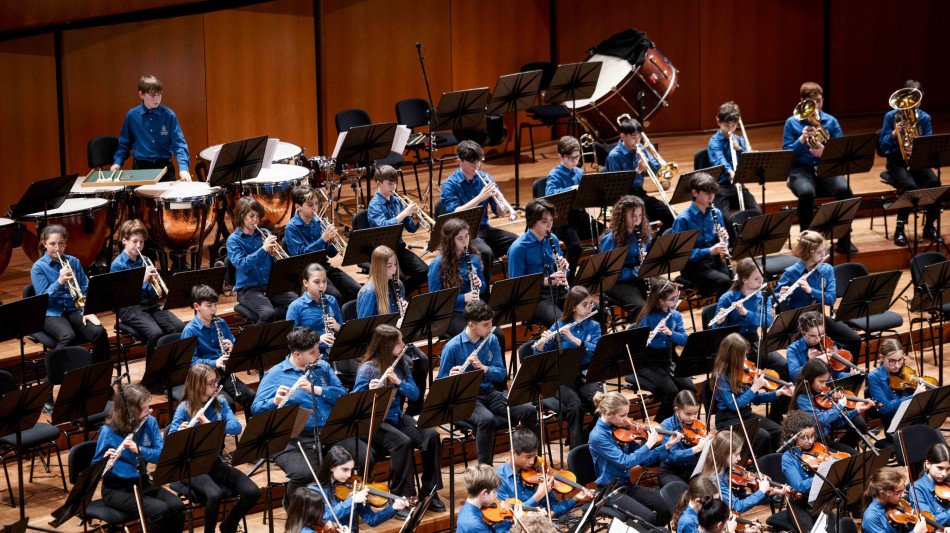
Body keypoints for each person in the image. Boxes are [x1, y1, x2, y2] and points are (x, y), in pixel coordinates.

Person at [250, 327, 373, 500]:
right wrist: (275, 401)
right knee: (306, 473)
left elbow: (341, 395)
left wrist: (318, 390)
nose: (318, 354)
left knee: (364, 457)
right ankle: (293, 507)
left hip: (330, 430)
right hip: (298, 436)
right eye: (313, 352)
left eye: (318, 349)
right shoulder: (275, 375)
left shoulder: (322, 366)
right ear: (297, 354)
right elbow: (256, 409)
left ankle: (346, 501)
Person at [352, 325, 445, 513]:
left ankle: (429, 490)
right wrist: (370, 392)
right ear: (385, 346)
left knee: (431, 435)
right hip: (375, 422)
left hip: (397, 417)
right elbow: (355, 403)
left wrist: (398, 382)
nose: (403, 345)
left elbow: (415, 394)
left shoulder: (400, 363)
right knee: (402, 443)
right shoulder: (367, 370)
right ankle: (400, 498)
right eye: (398, 342)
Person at [436, 301, 538, 465]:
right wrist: (450, 377)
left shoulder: (491, 340)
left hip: (487, 393)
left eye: (491, 323)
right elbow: (439, 385)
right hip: (465, 399)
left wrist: (484, 369)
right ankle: (486, 472)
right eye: (485, 324)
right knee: (486, 420)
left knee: (528, 410)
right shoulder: (452, 347)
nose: (491, 327)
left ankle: (527, 459)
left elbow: (501, 374)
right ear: (471, 324)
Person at [168, 364, 259, 533]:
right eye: (211, 383)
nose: (216, 385)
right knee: (214, 495)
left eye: (216, 380)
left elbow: (236, 427)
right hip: (191, 466)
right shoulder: (184, 408)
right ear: (198, 386)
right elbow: (171, 439)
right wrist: (181, 433)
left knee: (252, 492)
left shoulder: (221, 403)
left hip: (214, 462)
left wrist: (210, 426)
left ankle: (229, 524)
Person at [93, 383, 185, 533]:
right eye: (143, 409)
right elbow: (95, 468)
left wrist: (140, 450)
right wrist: (105, 463)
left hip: (142, 483)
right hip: (116, 489)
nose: (148, 411)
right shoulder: (108, 431)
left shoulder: (149, 422)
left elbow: (162, 456)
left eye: (148, 406)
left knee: (177, 506)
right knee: (160, 511)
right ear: (129, 411)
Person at [711, 257, 789, 420]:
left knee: (783, 365)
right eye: (756, 278)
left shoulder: (763, 296)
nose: (761, 281)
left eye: (762, 276)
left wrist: (745, 313)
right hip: (733, 347)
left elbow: (767, 322)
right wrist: (719, 322)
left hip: (752, 343)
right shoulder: (728, 298)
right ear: (744, 280)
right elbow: (715, 332)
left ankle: (775, 414)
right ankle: (741, 406)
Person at [783, 81, 855, 254]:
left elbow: (840, 151)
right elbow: (787, 155)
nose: (816, 106)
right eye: (812, 102)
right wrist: (801, 140)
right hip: (801, 170)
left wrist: (825, 153)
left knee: (845, 190)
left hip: (826, 167)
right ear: (802, 101)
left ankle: (844, 239)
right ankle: (808, 242)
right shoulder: (792, 123)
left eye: (819, 101)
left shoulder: (831, 121)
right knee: (807, 192)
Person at [588, 390, 680, 525]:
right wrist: (648, 444)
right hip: (609, 491)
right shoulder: (598, 436)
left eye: (627, 415)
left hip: (626, 485)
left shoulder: (622, 430)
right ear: (609, 414)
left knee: (666, 508)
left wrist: (666, 446)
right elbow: (625, 462)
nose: (627, 420)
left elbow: (644, 460)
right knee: (647, 517)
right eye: (622, 416)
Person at [532, 286, 602, 447]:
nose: (590, 308)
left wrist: (574, 339)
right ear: (573, 307)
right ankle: (576, 447)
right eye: (585, 305)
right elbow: (539, 354)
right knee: (575, 405)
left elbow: (597, 350)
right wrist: (542, 345)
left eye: (591, 304)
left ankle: (587, 435)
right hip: (561, 377)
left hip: (585, 374)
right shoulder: (560, 324)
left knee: (604, 404)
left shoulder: (594, 326)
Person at [30, 224, 110, 362]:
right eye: (52, 244)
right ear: (44, 244)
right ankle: (54, 370)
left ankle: (97, 369)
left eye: (61, 244)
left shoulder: (73, 262)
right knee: (68, 336)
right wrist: (59, 281)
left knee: (99, 332)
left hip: (73, 308)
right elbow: (42, 298)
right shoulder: (38, 267)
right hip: (50, 312)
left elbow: (85, 290)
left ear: (65, 244)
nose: (57, 248)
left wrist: (87, 311)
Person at [776, 230, 862, 357]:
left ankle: (847, 374)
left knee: (854, 340)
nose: (824, 255)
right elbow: (776, 300)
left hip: (819, 318)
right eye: (819, 252)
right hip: (799, 322)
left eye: (824, 251)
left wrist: (811, 291)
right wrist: (781, 296)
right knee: (815, 352)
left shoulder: (826, 270)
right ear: (807, 253)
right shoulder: (791, 273)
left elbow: (831, 299)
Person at [427, 219, 504, 350]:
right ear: (450, 241)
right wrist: (463, 298)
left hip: (474, 308)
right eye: (460, 238)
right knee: (471, 338)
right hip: (452, 313)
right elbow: (436, 299)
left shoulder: (473, 258)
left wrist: (480, 284)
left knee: (498, 335)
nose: (465, 241)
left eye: (467, 236)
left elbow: (483, 286)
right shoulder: (438, 264)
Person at [110, 219, 184, 356]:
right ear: (124, 240)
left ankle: (171, 362)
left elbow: (154, 294)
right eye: (134, 241)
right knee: (155, 333)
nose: (138, 245)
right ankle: (151, 370)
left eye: (142, 242)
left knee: (179, 327)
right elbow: (122, 297)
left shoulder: (146, 260)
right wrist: (142, 279)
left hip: (148, 304)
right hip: (129, 308)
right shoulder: (118, 265)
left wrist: (154, 283)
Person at [440, 140, 518, 270]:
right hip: (464, 233)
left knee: (518, 244)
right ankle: (485, 291)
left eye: (478, 161)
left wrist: (500, 202)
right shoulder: (449, 184)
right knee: (485, 253)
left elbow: (500, 213)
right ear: (459, 161)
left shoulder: (486, 178)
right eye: (472, 162)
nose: (476, 165)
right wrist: (480, 198)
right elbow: (455, 213)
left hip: (484, 228)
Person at [712, 333, 793, 456]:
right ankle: (762, 467)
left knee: (779, 431)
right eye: (742, 356)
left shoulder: (742, 372)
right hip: (728, 419)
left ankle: (778, 462)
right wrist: (755, 387)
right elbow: (734, 405)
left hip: (746, 414)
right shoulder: (721, 376)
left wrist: (778, 392)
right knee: (763, 437)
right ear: (732, 356)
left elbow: (755, 399)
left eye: (745, 355)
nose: (745, 360)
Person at [881, 80, 939, 246]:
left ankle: (929, 226)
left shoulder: (925, 118)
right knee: (910, 187)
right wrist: (894, 133)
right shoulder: (892, 117)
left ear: (920, 101)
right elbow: (883, 146)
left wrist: (917, 150)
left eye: (915, 101)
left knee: (935, 183)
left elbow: (928, 144)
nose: (911, 106)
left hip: (917, 160)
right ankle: (900, 228)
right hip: (896, 162)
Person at [180, 284, 255, 412]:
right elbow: (190, 363)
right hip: (202, 378)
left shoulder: (220, 323)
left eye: (215, 305)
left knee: (250, 397)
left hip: (223, 373)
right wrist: (214, 363)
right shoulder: (190, 331)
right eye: (209, 306)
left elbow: (234, 343)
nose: (214, 310)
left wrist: (233, 347)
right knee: (227, 405)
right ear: (196, 306)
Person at [284, 184, 361, 304]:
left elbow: (330, 254)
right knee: (335, 297)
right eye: (310, 205)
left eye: (316, 204)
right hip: (307, 271)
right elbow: (301, 256)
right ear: (298, 207)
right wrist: (323, 239)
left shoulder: (317, 222)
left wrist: (333, 242)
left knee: (356, 290)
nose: (315, 208)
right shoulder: (291, 227)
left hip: (324, 266)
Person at [227, 196, 298, 325]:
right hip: (249, 289)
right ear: (241, 215)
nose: (256, 220)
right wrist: (263, 249)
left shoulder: (264, 232)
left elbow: (277, 262)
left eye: (258, 216)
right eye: (251, 216)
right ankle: (256, 343)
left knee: (297, 305)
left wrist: (276, 253)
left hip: (271, 285)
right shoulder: (233, 240)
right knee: (267, 313)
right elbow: (242, 265)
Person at [632, 279, 695, 420]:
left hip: (666, 360)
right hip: (647, 363)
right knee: (671, 392)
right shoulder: (647, 317)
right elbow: (635, 345)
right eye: (673, 299)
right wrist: (645, 338)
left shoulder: (675, 315)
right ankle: (658, 425)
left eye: (677, 296)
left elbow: (685, 340)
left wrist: (670, 333)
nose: (676, 301)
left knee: (690, 389)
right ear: (661, 300)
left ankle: (681, 421)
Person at [496, 428, 593, 519]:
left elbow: (553, 510)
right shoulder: (499, 479)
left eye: (534, 456)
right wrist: (538, 495)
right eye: (528, 457)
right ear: (512, 453)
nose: (531, 461)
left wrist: (576, 498)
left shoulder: (539, 472)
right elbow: (509, 516)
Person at [111, 75, 190, 182]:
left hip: (165, 168)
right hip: (140, 169)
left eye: (159, 95)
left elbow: (179, 144)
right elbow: (124, 144)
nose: (157, 99)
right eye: (153, 95)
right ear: (141, 94)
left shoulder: (168, 115)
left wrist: (184, 168)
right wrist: (118, 162)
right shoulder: (132, 116)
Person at [544, 135, 602, 280]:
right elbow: (550, 196)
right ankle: (569, 281)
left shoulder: (579, 172)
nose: (575, 161)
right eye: (571, 158)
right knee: (575, 246)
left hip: (580, 216)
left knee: (606, 234)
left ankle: (599, 273)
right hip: (563, 220)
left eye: (577, 157)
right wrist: (571, 188)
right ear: (561, 156)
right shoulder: (555, 175)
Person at [603, 116, 674, 230]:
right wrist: (639, 170)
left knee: (671, 217)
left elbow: (657, 170)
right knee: (640, 226)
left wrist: (649, 161)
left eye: (639, 137)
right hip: (624, 200)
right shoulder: (614, 156)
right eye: (633, 137)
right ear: (622, 136)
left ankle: (657, 245)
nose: (637, 141)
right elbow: (619, 188)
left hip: (640, 195)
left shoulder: (640, 147)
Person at [366, 164, 428, 295]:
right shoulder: (374, 205)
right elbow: (384, 226)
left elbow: (410, 228)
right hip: (382, 252)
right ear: (378, 183)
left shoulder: (397, 201)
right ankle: (397, 298)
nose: (393, 187)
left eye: (395, 183)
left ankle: (402, 296)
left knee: (424, 271)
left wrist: (415, 220)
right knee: (400, 279)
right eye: (389, 184)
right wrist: (405, 213)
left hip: (398, 248)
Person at [507, 198, 569, 326]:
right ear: (532, 222)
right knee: (560, 324)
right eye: (544, 221)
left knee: (594, 309)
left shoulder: (553, 239)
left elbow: (561, 272)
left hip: (557, 291)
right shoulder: (518, 248)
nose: (549, 225)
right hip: (535, 298)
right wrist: (546, 281)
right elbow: (516, 285)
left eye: (551, 220)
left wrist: (563, 268)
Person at [791, 358, 873, 454]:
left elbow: (836, 422)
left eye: (825, 381)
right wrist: (839, 405)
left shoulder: (822, 394)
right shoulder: (802, 398)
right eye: (821, 381)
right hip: (812, 444)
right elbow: (821, 420)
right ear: (810, 379)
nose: (824, 385)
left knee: (856, 456)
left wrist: (858, 410)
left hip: (825, 441)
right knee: (850, 458)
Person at [671, 172, 732, 297]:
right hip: (693, 267)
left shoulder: (717, 213)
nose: (711, 197)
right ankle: (720, 314)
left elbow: (723, 242)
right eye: (707, 193)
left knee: (737, 280)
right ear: (695, 193)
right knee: (725, 282)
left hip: (714, 261)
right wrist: (709, 251)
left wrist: (725, 240)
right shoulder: (683, 220)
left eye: (713, 193)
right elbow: (680, 255)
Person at [317, 445, 409, 528]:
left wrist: (393, 507)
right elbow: (325, 517)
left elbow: (371, 519)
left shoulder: (354, 486)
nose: (349, 475)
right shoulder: (316, 490)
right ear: (331, 467)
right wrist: (352, 500)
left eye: (350, 470)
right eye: (345, 470)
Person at [701, 431, 791, 514]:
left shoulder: (728, 470)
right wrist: (761, 491)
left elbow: (743, 499)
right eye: (736, 454)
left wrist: (769, 493)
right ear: (723, 454)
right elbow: (737, 507)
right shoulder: (716, 479)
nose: (739, 458)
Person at [707, 101, 761, 229]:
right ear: (718, 122)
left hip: (739, 185)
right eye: (726, 125)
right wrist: (731, 173)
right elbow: (719, 160)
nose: (730, 130)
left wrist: (739, 149)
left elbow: (748, 162)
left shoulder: (740, 140)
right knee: (725, 219)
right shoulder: (714, 142)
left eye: (734, 125)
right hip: (720, 187)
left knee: (756, 212)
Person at [600, 194, 652, 317]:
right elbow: (610, 273)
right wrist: (635, 273)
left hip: (639, 276)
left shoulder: (644, 234)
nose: (637, 220)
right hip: (617, 281)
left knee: (665, 294)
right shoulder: (610, 240)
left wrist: (648, 262)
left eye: (640, 216)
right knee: (640, 307)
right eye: (633, 216)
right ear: (622, 217)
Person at [780, 410, 828, 533]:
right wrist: (822, 477)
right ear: (793, 437)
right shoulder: (788, 458)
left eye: (812, 436)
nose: (810, 441)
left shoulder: (818, 450)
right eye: (804, 438)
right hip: (799, 504)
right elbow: (799, 486)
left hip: (819, 501)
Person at [867, 338, 930, 428]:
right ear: (881, 357)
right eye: (892, 361)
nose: (897, 365)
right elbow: (884, 408)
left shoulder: (905, 371)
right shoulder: (874, 377)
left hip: (916, 418)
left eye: (900, 360)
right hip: (895, 424)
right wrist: (912, 397)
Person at [287, 263, 342, 358]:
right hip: (310, 355)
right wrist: (317, 340)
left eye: (324, 281)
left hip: (334, 351)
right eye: (316, 282)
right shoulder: (296, 307)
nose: (322, 286)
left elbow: (342, 330)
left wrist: (338, 327)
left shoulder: (332, 300)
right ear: (306, 283)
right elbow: (293, 341)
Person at [659, 390, 713, 486]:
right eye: (688, 414)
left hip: (691, 470)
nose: (692, 418)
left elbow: (701, 456)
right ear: (677, 410)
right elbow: (670, 456)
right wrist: (696, 449)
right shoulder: (666, 425)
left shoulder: (697, 425)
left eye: (695, 413)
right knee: (682, 493)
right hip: (670, 471)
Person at [784, 311, 856, 383]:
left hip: (829, 387)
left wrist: (850, 375)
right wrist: (816, 361)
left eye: (821, 334)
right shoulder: (793, 349)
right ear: (802, 331)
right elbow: (794, 376)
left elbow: (836, 375)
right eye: (812, 336)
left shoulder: (827, 343)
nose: (818, 339)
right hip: (806, 390)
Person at [862, 468, 928, 533]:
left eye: (903, 489)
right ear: (882, 493)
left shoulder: (894, 503)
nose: (902, 495)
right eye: (898, 492)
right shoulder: (871, 517)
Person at [356, 245, 407, 319]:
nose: (394, 269)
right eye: (389, 266)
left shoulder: (398, 284)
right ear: (378, 268)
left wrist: (406, 311)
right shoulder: (369, 292)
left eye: (395, 264)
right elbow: (363, 327)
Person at [457, 464, 511, 533]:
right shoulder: (475, 525)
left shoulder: (465, 508)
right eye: (494, 492)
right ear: (483, 493)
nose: (496, 495)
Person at [912, 443, 950, 526]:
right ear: (928, 464)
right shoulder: (917, 489)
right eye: (940, 468)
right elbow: (929, 521)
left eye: (948, 469)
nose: (944, 474)